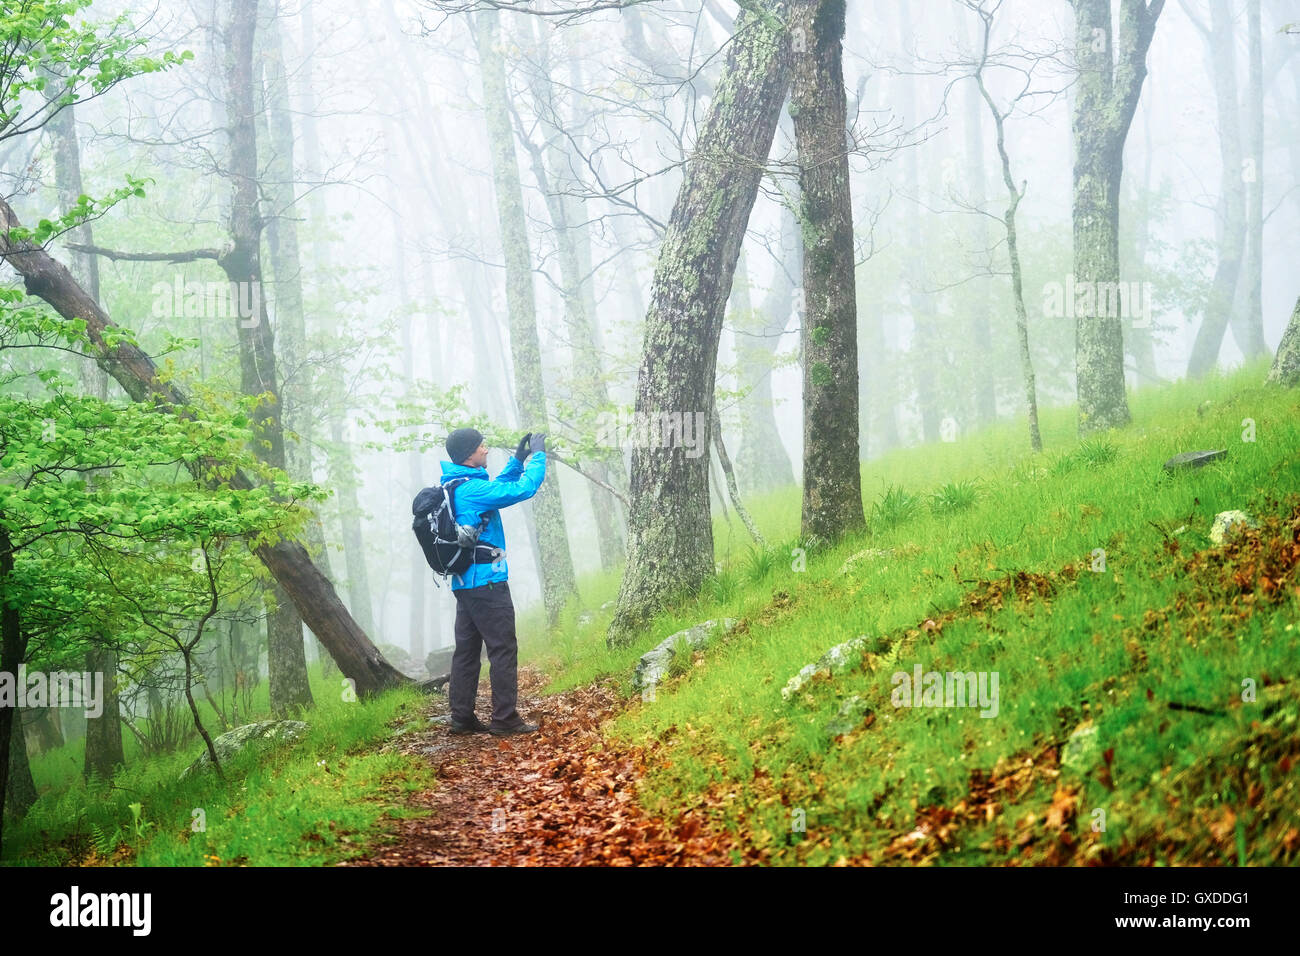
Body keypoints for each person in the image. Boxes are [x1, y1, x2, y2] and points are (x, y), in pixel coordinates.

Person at [440, 426, 547, 736]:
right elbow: (522, 490)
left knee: (468, 651)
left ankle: (461, 716)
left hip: (466, 583)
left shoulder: (460, 484)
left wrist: (517, 460)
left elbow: (499, 487)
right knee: (502, 648)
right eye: (481, 446)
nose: (486, 449)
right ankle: (504, 718)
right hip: (487, 583)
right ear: (468, 455)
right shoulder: (472, 490)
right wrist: (538, 457)